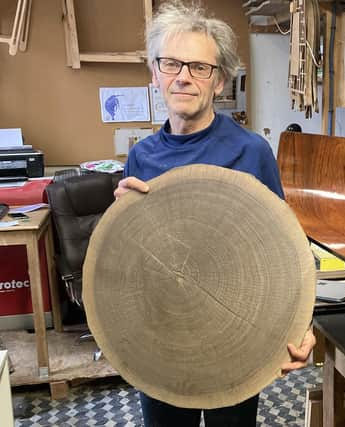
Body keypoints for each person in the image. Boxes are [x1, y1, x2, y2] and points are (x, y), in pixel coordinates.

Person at [113, 1, 316, 426]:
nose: (183, 76)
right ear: (155, 73)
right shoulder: (141, 158)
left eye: (199, 67)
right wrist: (119, 223)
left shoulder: (250, 151)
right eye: (171, 63)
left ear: (219, 80)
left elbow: (286, 250)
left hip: (235, 337)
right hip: (164, 338)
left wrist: (303, 326)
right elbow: (136, 264)